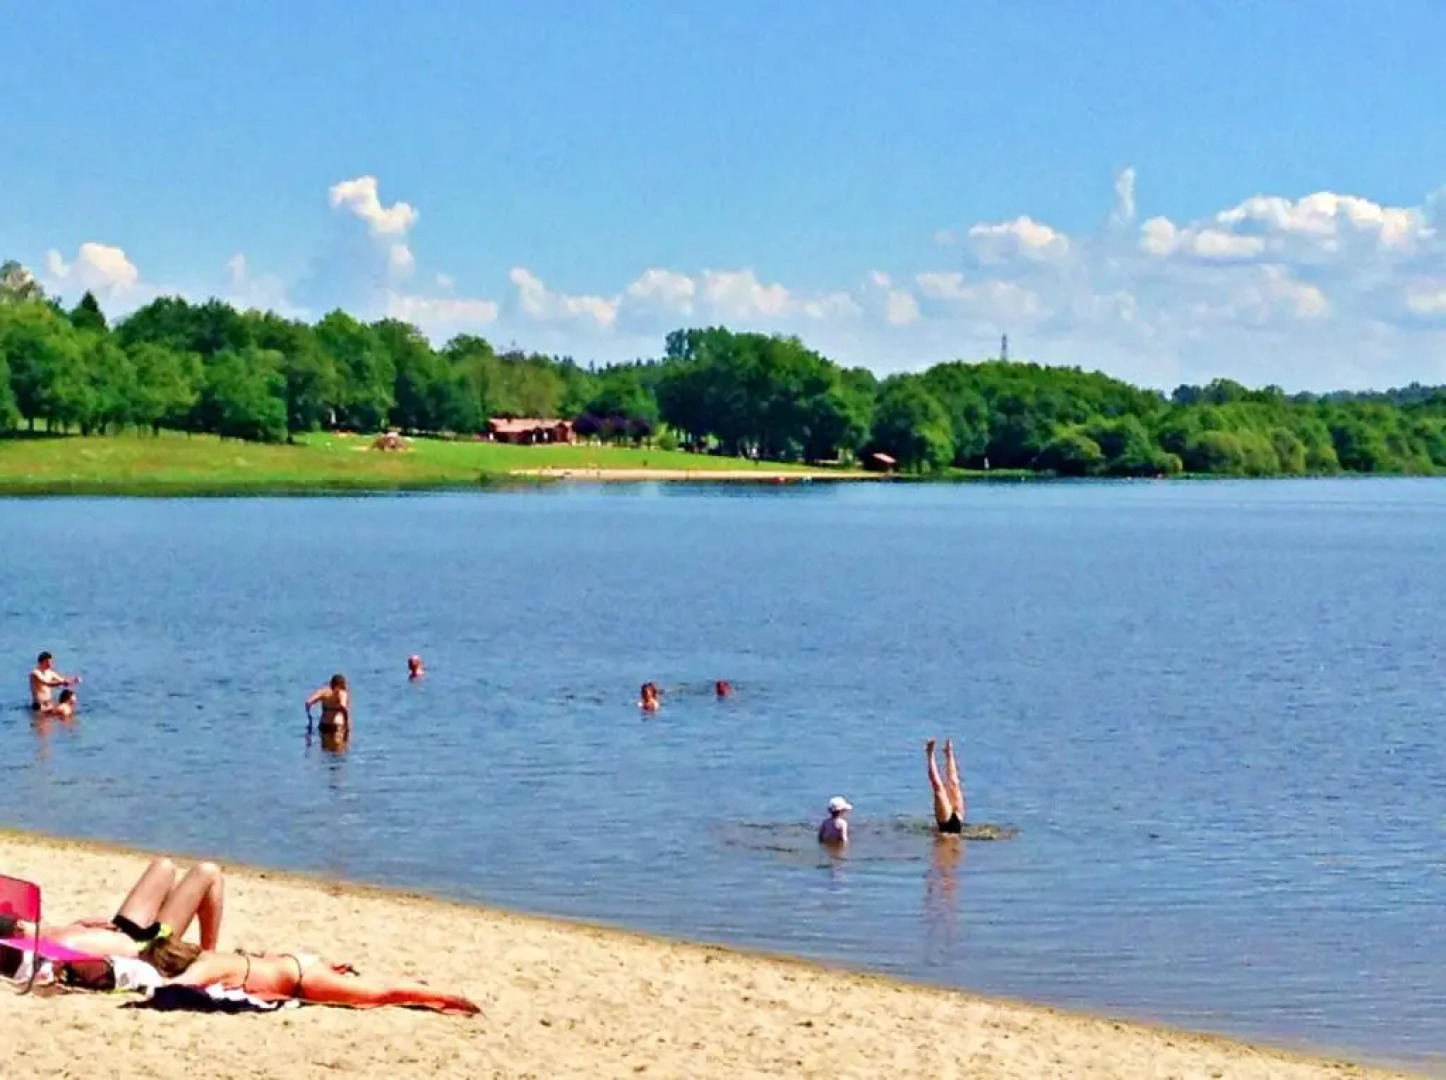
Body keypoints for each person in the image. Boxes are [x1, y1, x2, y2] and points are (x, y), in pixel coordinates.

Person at [135, 937, 480, 1015]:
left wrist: (142, 993)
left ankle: (448, 998)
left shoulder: (205, 966)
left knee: (380, 995)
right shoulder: (212, 955)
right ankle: (421, 989)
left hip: (303, 979)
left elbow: (176, 986)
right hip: (297, 963)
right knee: (373, 991)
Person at [0, 857, 225, 959]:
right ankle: (209, 956)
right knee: (208, 872)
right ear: (19, 926)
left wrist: (80, 926)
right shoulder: (59, 943)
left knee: (163, 866)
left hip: (122, 931)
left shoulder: (51, 936)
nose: (38, 920)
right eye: (27, 920)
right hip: (149, 946)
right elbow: (106, 957)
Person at [926, 738, 966, 835]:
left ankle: (945, 753)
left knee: (953, 783)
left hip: (949, 824)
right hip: (949, 823)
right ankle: (932, 754)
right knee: (940, 788)